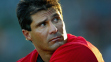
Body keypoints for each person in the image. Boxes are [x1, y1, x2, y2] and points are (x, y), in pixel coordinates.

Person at [16, 0, 104, 62]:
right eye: (43, 24)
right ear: (27, 34)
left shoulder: (79, 51)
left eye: (56, 19)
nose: (54, 29)